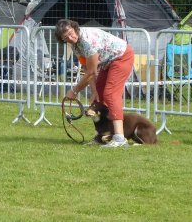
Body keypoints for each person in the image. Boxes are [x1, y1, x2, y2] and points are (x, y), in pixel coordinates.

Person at [55, 19, 134, 148]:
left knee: (110, 94)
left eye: (71, 33)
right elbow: (87, 68)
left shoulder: (87, 41)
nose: (70, 37)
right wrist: (94, 91)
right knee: (100, 96)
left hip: (122, 57)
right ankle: (103, 136)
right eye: (66, 37)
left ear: (75, 28)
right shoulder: (75, 45)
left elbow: (91, 72)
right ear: (62, 40)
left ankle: (119, 138)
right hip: (108, 62)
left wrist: (74, 91)